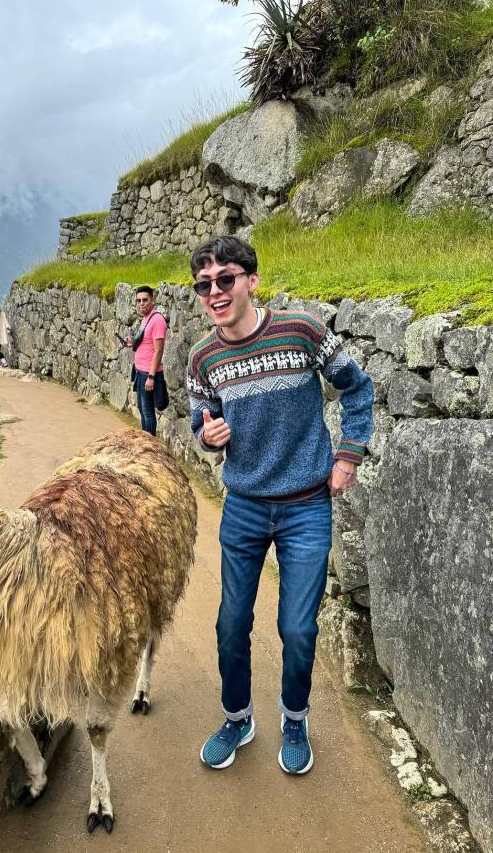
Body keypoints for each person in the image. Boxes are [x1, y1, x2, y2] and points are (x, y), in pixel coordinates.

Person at [187, 235, 373, 775]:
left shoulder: (301, 331)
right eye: (204, 284)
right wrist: (209, 435)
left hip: (305, 506)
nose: (215, 292)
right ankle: (237, 717)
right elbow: (203, 419)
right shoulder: (203, 357)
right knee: (230, 623)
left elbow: (357, 388)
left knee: (297, 628)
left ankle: (294, 719)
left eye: (225, 279)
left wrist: (348, 457)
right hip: (244, 504)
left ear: (252, 280)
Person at [126, 285, 167, 436]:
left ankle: (150, 444)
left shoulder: (157, 320)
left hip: (148, 373)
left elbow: (159, 350)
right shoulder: (146, 319)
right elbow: (146, 342)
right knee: (143, 409)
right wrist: (132, 342)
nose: (141, 303)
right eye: (138, 301)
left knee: (148, 412)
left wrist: (151, 376)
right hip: (140, 370)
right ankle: (145, 440)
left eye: (145, 300)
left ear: (152, 299)